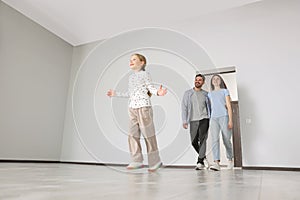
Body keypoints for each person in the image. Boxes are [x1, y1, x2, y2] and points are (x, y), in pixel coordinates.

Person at [107, 53, 167, 172]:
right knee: (132, 135)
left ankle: (155, 161)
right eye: (130, 60)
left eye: (134, 59)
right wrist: (116, 94)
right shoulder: (131, 77)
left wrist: (157, 92)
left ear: (142, 62)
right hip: (132, 108)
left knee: (148, 135)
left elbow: (150, 87)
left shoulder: (145, 74)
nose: (131, 61)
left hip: (144, 107)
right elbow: (130, 94)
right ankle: (137, 160)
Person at [182, 74, 211, 170]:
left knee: (203, 140)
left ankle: (199, 162)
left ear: (203, 82)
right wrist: (184, 120)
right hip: (193, 120)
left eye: (200, 80)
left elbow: (210, 107)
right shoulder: (188, 93)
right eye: (196, 80)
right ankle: (203, 158)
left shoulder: (206, 94)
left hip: (204, 118)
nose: (197, 81)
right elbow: (184, 108)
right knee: (193, 142)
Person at [208, 74, 234, 171]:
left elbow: (229, 106)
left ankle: (230, 159)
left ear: (220, 81)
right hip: (213, 118)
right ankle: (216, 163)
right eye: (213, 79)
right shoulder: (209, 94)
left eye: (217, 78)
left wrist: (231, 120)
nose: (215, 80)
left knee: (226, 139)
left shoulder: (224, 91)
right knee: (214, 140)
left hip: (224, 116)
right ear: (211, 82)